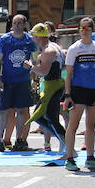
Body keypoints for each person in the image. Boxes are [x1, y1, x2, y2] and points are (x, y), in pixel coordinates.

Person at [61, 17, 95, 171]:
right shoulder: (74, 48)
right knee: (73, 125)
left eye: (88, 28)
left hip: (94, 91)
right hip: (78, 90)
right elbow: (68, 74)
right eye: (82, 28)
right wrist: (68, 95)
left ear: (93, 30)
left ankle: (90, 157)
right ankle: (69, 158)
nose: (85, 31)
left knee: (91, 126)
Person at [0, 14, 36, 152]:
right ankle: (0, 140)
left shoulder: (30, 40)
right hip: (6, 79)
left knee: (22, 110)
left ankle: (19, 139)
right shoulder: (5, 39)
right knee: (4, 110)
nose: (17, 26)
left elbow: (35, 59)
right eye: (14, 23)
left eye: (19, 23)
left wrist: (31, 68)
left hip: (23, 80)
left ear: (24, 25)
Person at [25, 23, 65, 151]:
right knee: (42, 116)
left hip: (53, 86)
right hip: (53, 85)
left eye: (33, 35)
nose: (32, 38)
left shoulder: (48, 51)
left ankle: (65, 142)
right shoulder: (53, 47)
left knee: (48, 117)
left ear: (39, 37)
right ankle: (63, 140)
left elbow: (43, 72)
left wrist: (30, 67)